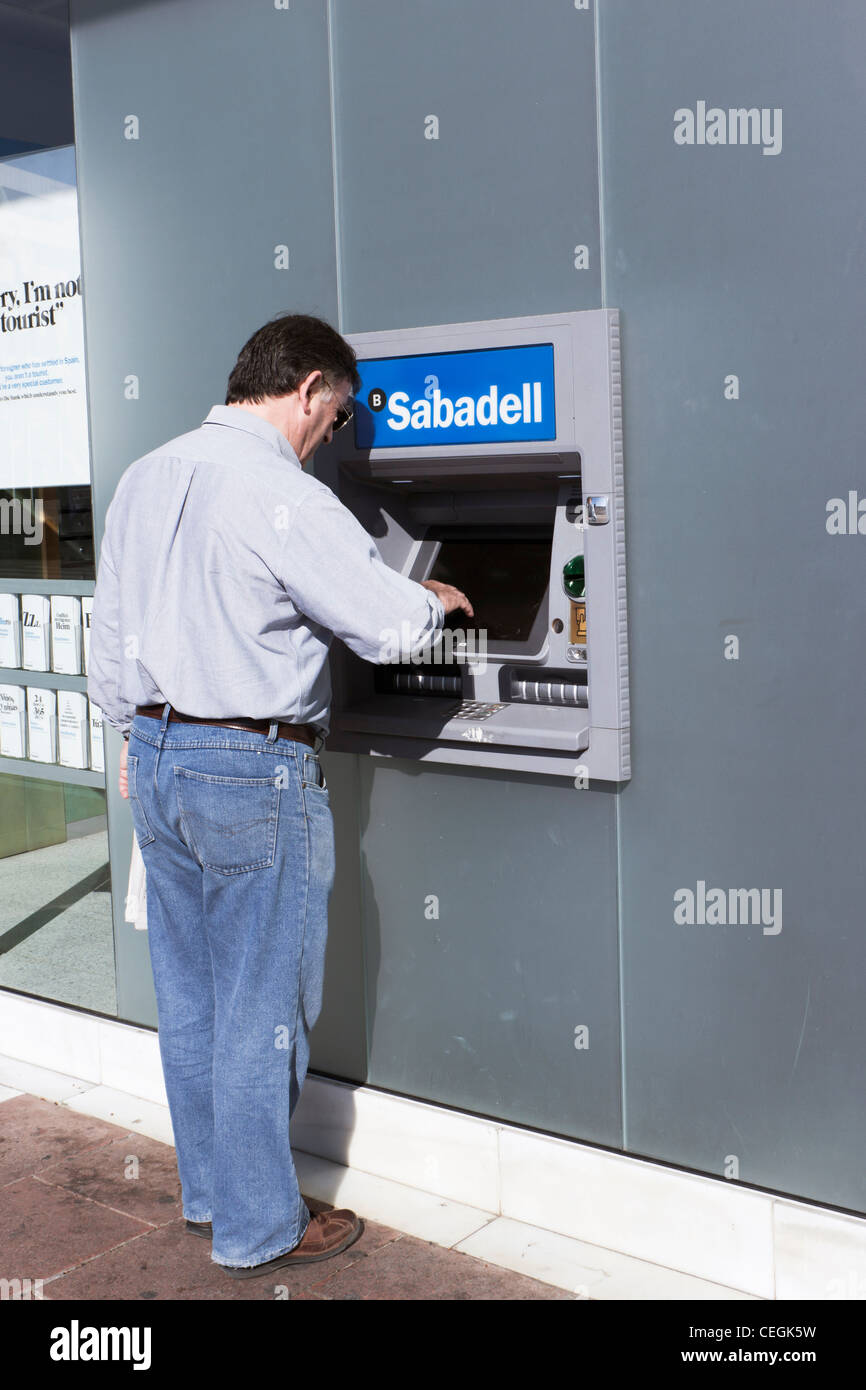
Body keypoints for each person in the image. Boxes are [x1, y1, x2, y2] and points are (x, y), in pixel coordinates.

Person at [87, 312, 473, 1279]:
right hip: (252, 767)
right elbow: (385, 627)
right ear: (308, 388)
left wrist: (143, 740)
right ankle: (259, 1225)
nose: (332, 435)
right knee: (264, 1001)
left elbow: (107, 648)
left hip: (160, 757)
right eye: (337, 416)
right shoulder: (277, 491)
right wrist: (440, 603)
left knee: (195, 999)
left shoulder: (145, 476)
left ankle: (214, 1193)